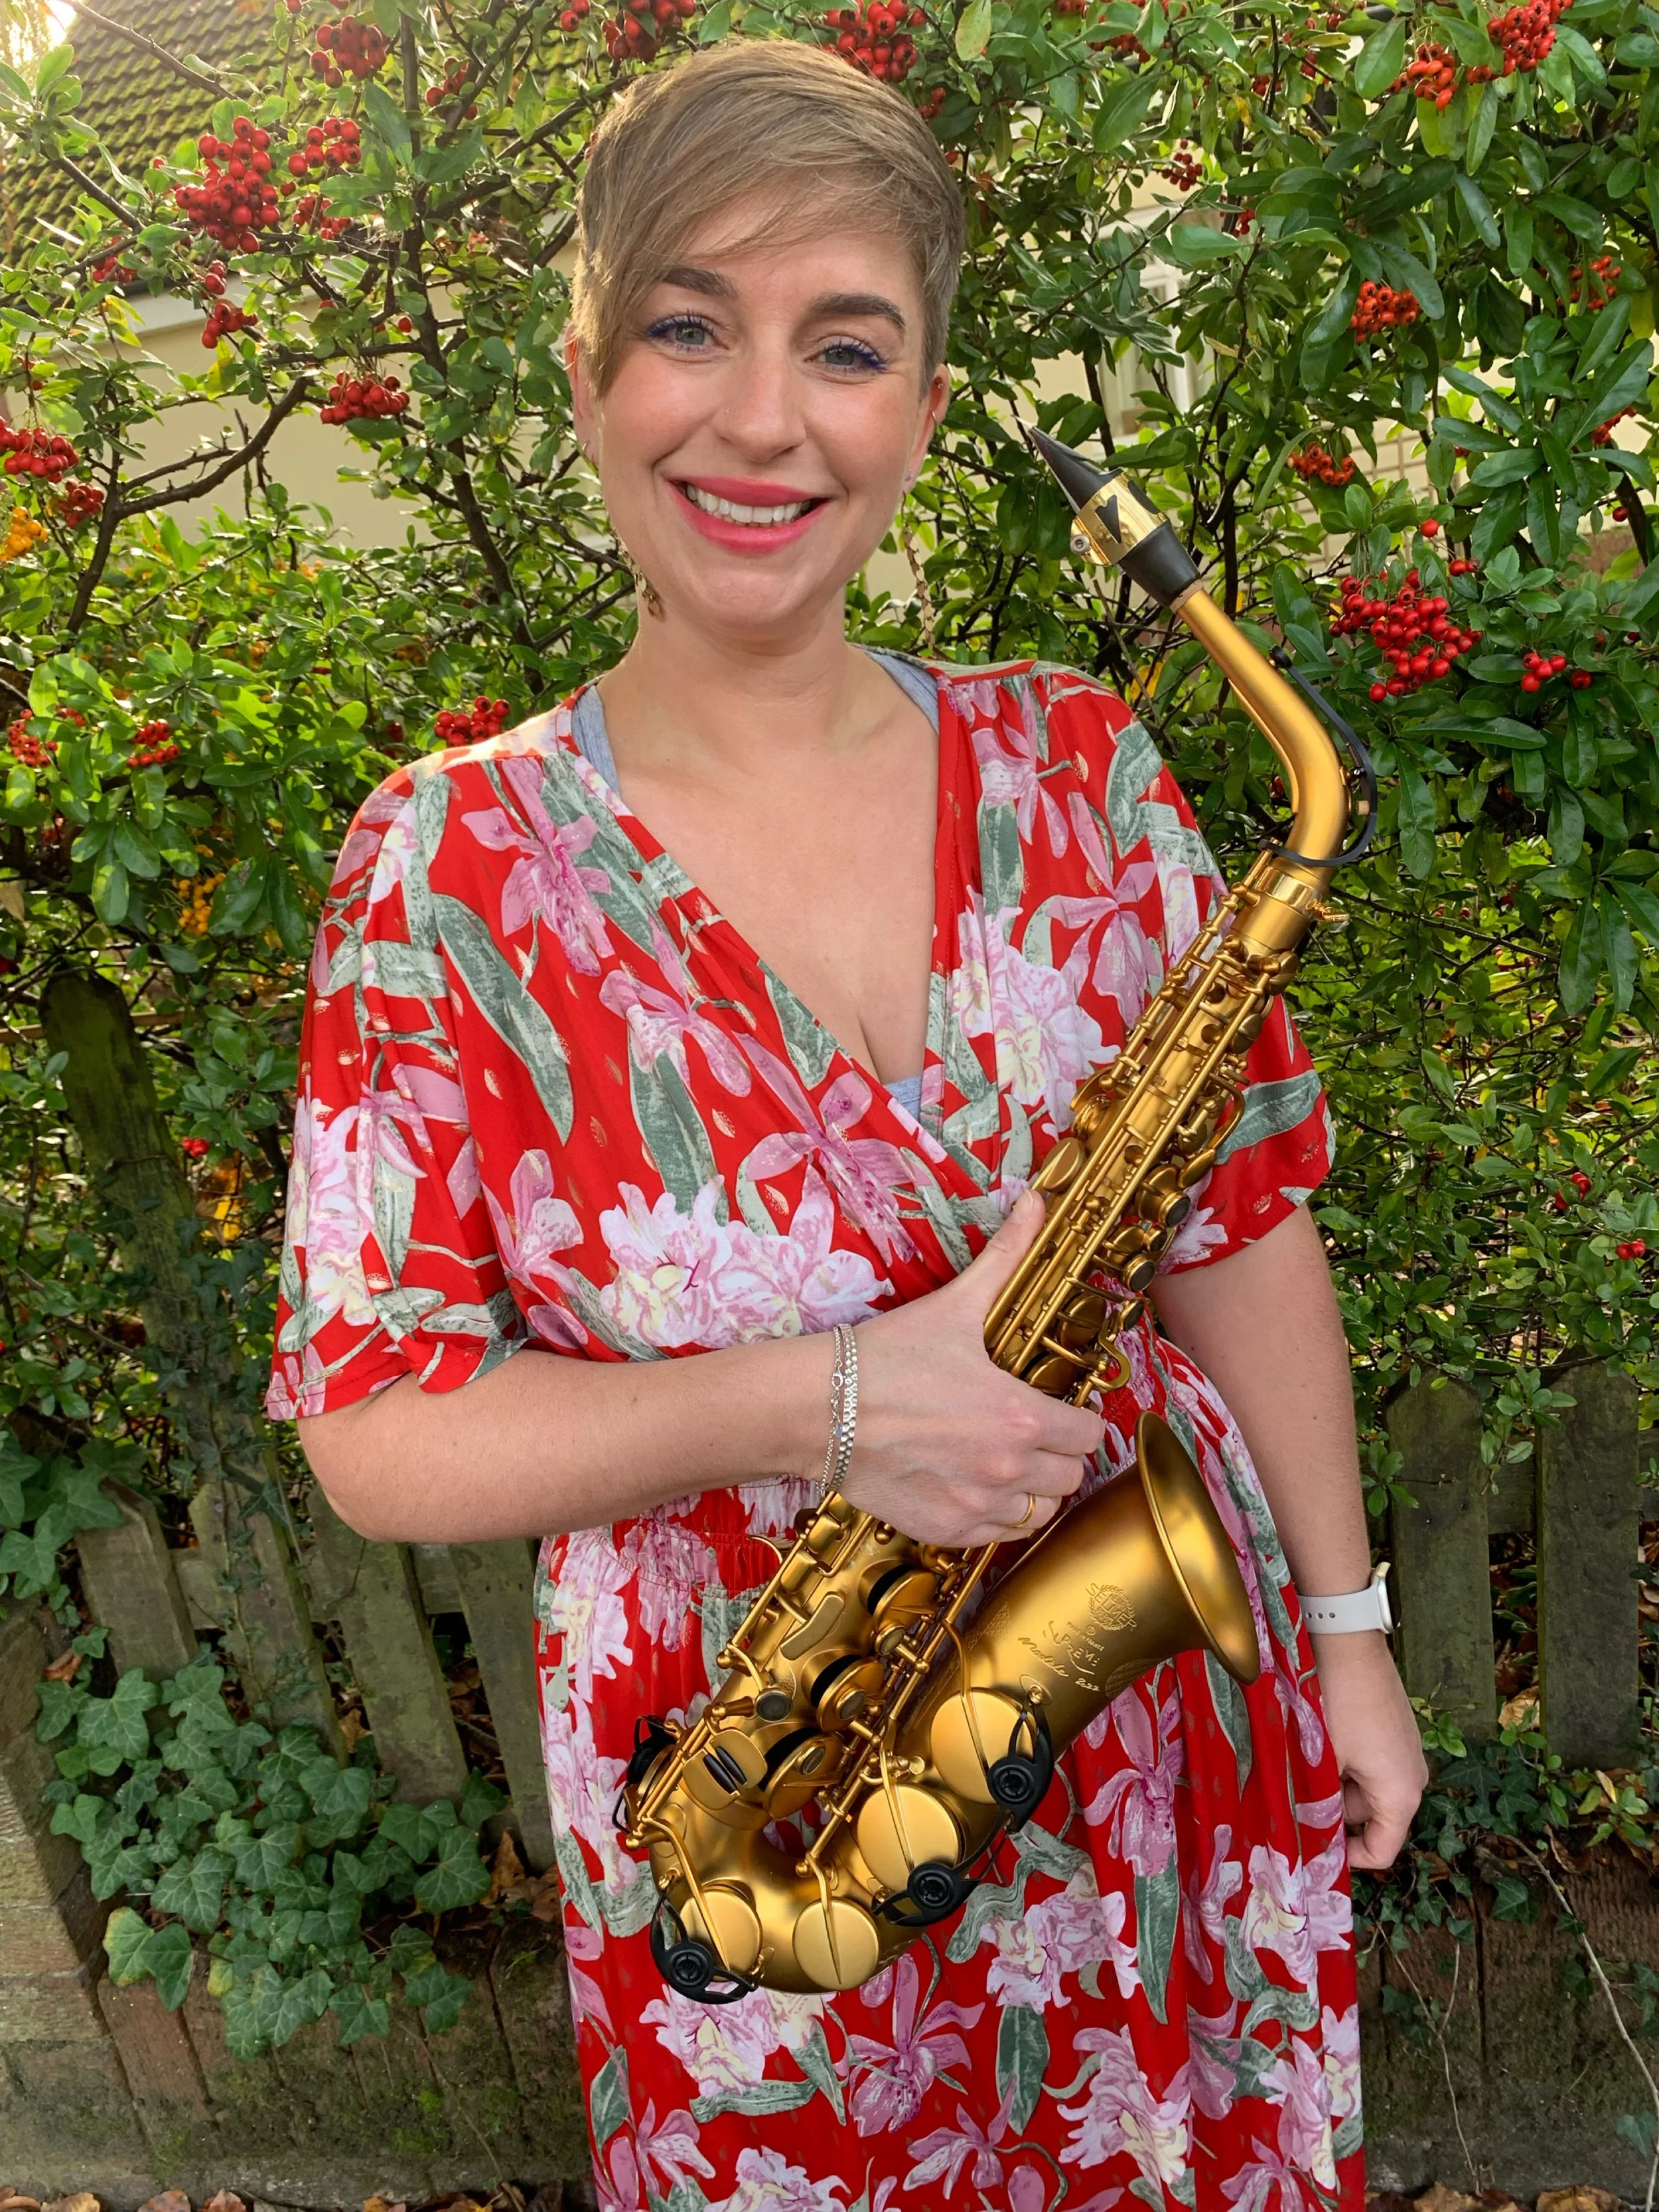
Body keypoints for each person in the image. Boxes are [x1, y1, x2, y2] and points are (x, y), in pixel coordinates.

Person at [273, 37, 1426, 2211]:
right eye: (691, 324)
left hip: (1157, 1751)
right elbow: (373, 1424)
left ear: (914, 398)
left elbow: (1240, 1226)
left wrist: (1349, 1638)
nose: (765, 419)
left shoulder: (1085, 767)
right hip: (760, 1834)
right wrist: (824, 1406)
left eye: (848, 344)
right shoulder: (444, 875)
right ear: (590, 361)